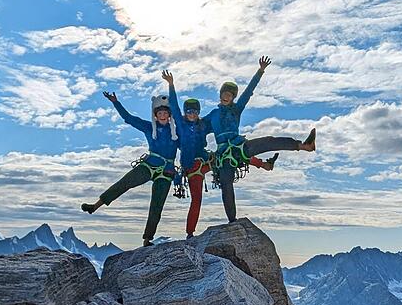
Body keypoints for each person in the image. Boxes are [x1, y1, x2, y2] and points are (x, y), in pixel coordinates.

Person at [162, 70, 276, 238]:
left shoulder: (203, 125)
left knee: (233, 154)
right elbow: (174, 106)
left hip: (207, 161)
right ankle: (190, 233)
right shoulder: (181, 124)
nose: (192, 114)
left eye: (195, 111)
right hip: (192, 168)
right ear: (185, 113)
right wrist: (171, 85)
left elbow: (221, 121)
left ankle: (264, 164)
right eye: (189, 111)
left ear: (198, 113)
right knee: (197, 200)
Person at [206, 56, 316, 222]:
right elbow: (198, 127)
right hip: (223, 156)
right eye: (224, 93)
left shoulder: (236, 109)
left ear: (233, 98)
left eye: (230, 94)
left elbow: (248, 92)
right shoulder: (212, 115)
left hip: (239, 147)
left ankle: (304, 146)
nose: (226, 96)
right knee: (226, 185)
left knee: (268, 142)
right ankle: (232, 221)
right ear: (220, 94)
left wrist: (260, 71)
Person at [80, 90, 178, 247]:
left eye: (165, 112)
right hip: (149, 165)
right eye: (159, 113)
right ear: (155, 115)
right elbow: (129, 118)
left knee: (157, 204)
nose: (162, 115)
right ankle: (95, 206)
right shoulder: (148, 127)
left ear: (169, 115)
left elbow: (188, 145)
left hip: (166, 171)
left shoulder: (176, 132)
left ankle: (147, 239)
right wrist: (116, 102)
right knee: (124, 183)